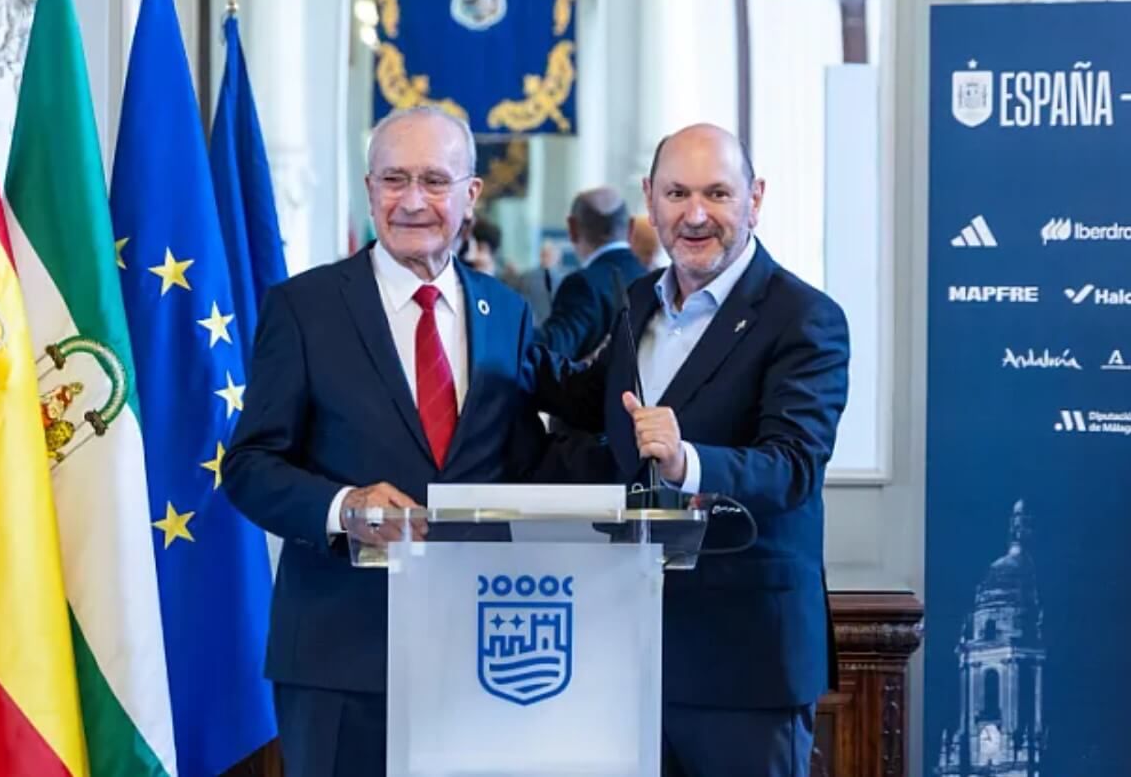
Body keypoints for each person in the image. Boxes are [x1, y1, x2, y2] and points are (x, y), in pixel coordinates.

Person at [221, 106, 549, 777]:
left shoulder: (508, 311)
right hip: (339, 655)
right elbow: (250, 466)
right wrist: (345, 506)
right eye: (393, 180)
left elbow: (525, 462)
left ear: (470, 195)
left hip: (481, 651)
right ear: (369, 190)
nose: (412, 201)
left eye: (433, 180)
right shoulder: (302, 308)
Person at [534, 123, 850, 777]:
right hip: (626, 649)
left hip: (745, 662)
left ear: (754, 198)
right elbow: (574, 397)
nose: (695, 214)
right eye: (676, 193)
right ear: (649, 199)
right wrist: (470, 320)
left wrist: (688, 461)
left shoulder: (805, 317)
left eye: (716, 193)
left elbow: (792, 464)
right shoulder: (634, 303)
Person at [535, 187, 647, 361]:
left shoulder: (582, 285)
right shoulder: (653, 279)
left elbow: (550, 355)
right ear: (631, 227)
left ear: (572, 228)